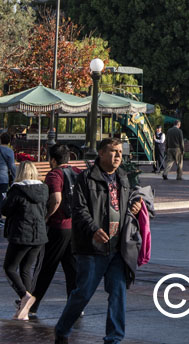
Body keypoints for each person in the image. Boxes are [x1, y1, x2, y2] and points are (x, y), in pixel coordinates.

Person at [54, 137, 142, 344]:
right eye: (113, 151)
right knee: (83, 293)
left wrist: (135, 206)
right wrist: (93, 229)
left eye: (120, 151)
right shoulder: (86, 178)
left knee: (118, 293)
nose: (118, 155)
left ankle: (114, 338)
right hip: (92, 247)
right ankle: (62, 329)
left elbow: (128, 203)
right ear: (101, 153)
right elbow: (79, 208)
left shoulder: (123, 177)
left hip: (118, 246)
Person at [30, 144, 82, 316]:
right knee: (71, 267)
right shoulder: (77, 171)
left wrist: (47, 216)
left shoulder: (54, 174)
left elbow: (56, 199)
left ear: (53, 159)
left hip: (58, 226)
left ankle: (31, 305)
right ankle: (75, 305)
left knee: (45, 266)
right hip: (74, 226)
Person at [1, 160, 49, 320]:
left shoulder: (17, 190)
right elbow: (45, 210)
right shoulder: (43, 189)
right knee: (26, 269)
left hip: (21, 234)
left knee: (9, 267)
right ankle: (24, 310)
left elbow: (6, 210)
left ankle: (25, 296)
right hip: (39, 235)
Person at [0, 132, 16, 222]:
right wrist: (15, 178)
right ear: (9, 141)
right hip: (3, 178)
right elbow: (12, 166)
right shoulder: (9, 151)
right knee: (2, 197)